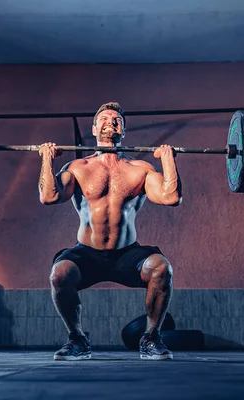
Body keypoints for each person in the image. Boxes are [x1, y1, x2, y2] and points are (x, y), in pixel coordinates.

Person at [37, 102, 182, 361]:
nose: (110, 122)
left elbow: (171, 198)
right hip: (87, 254)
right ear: (94, 128)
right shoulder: (78, 167)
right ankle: (77, 339)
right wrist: (47, 158)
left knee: (162, 269)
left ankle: (151, 338)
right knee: (59, 274)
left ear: (123, 130)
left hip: (127, 254)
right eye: (104, 118)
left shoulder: (141, 169)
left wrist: (168, 161)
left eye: (116, 119)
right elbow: (49, 196)